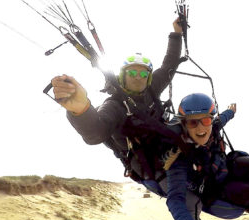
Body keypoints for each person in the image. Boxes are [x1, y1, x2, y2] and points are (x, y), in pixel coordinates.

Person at [50, 18, 184, 195]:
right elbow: (96, 133)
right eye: (132, 72)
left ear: (149, 77)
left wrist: (177, 33)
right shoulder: (114, 105)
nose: (138, 77)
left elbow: (169, 64)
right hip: (146, 163)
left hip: (164, 144)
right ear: (123, 76)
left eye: (143, 73)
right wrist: (81, 111)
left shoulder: (151, 89)